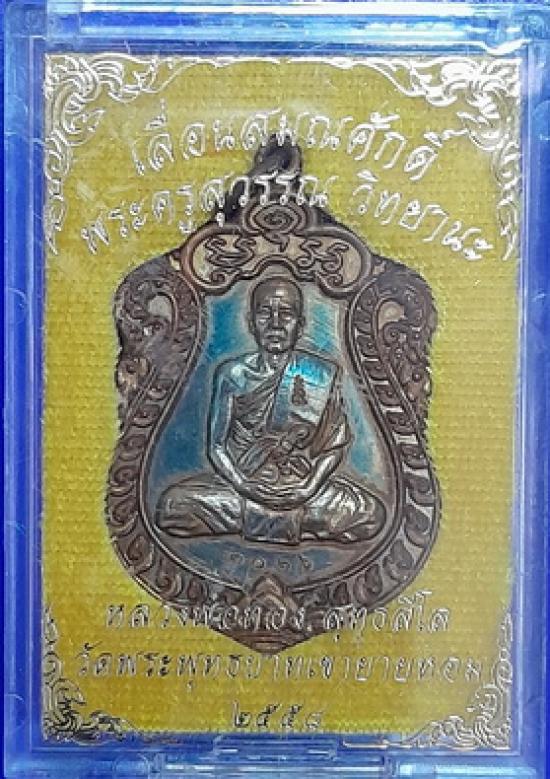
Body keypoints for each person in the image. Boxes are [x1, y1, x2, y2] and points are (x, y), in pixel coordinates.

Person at [155, 275, 386, 545]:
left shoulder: (319, 374)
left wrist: (308, 487)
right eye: (265, 313)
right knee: (172, 507)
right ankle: (298, 523)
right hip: (242, 484)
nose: (275, 323)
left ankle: (267, 518)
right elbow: (216, 447)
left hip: (301, 486)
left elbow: (334, 447)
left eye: (286, 314)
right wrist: (243, 484)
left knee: (371, 515)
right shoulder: (232, 374)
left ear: (300, 325)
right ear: (251, 323)